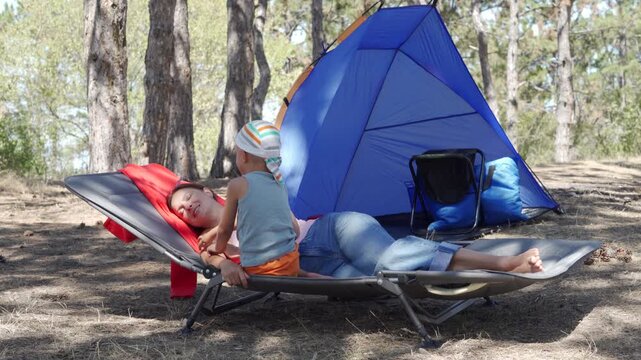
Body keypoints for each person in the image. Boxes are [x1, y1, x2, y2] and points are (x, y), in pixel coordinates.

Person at [169, 183, 544, 288]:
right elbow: (210, 260)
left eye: (188, 198)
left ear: (204, 191)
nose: (187, 209)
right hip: (319, 264)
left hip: (334, 230)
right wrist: (221, 261)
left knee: (390, 261)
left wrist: (225, 227)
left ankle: (506, 262)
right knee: (384, 279)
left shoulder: (249, 189)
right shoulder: (206, 243)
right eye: (181, 211)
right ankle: (483, 262)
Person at [193, 120, 323, 279]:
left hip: (258, 269)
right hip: (291, 261)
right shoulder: (279, 184)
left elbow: (225, 229)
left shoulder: (237, 185)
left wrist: (218, 249)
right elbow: (294, 230)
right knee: (290, 269)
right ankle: (321, 280)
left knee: (213, 254)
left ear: (243, 156)